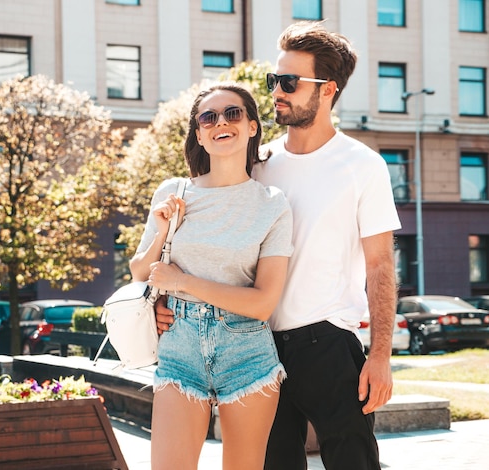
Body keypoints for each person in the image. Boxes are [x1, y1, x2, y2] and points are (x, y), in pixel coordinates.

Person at [156, 21, 401, 470]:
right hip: (254, 346)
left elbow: (380, 266)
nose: (276, 92)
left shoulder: (362, 165)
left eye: (289, 82)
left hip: (328, 342)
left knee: (354, 463)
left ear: (327, 89)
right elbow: (211, 245)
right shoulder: (259, 163)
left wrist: (381, 355)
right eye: (274, 81)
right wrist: (169, 301)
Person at [130, 82, 294, 470]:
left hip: (247, 352)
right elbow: (141, 271)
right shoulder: (174, 192)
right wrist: (162, 226)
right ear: (200, 134)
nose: (221, 122)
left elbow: (262, 303)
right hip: (179, 346)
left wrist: (182, 283)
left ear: (253, 126)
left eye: (232, 113)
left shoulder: (271, 205)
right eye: (209, 117)